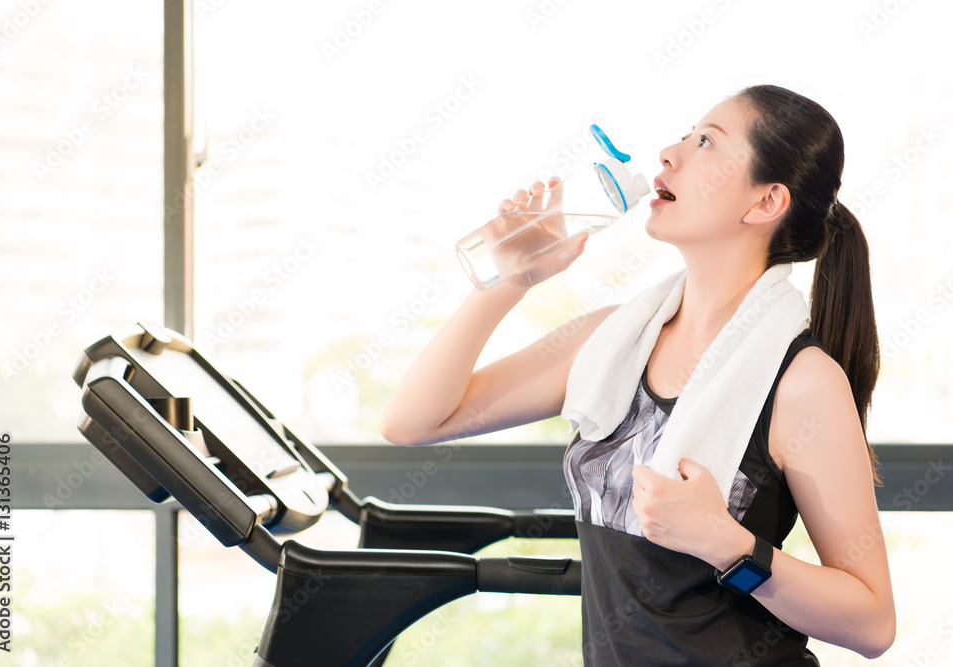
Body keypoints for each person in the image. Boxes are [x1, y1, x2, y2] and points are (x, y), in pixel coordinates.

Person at [380, 84, 896, 665]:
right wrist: (511, 278)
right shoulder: (612, 340)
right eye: (685, 135)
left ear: (764, 202)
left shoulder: (801, 381)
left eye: (705, 142)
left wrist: (728, 545)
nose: (669, 154)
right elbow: (412, 421)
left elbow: (872, 623)